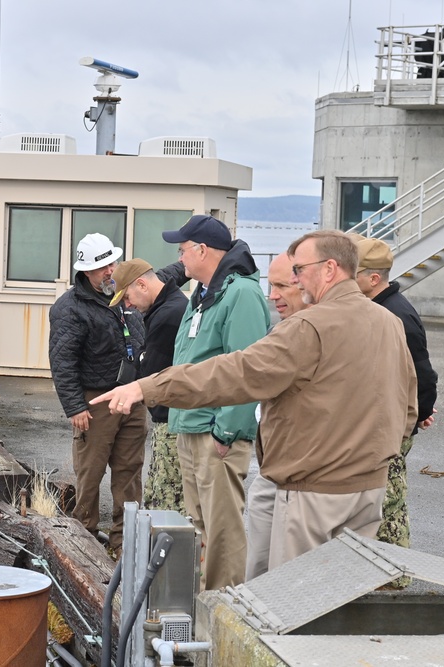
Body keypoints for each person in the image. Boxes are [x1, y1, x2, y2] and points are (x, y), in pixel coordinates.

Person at [92, 230, 418, 571]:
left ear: (329, 269)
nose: (294, 281)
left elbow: (236, 372)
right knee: (339, 592)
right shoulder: (389, 322)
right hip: (369, 490)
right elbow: (407, 406)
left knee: (292, 600)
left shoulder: (308, 326)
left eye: (299, 271)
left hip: (314, 492)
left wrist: (147, 387)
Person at [157, 214, 270, 589]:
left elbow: (248, 367)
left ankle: (223, 609)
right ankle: (204, 603)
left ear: (203, 250)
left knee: (222, 528)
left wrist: (227, 429)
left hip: (214, 432)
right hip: (191, 426)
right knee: (200, 525)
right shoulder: (204, 294)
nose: (180, 257)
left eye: (183, 249)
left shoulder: (240, 293)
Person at [48, 233, 148, 555]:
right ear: (86, 271)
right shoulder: (69, 308)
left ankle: (124, 545)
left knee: (130, 472)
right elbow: (62, 361)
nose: (110, 271)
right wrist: (75, 406)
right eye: (103, 266)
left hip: (132, 397)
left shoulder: (126, 296)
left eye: (113, 263)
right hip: (95, 402)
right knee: (90, 474)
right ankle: (84, 543)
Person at [353, 236, 438, 550]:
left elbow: (423, 374)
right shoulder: (380, 308)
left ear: (373, 278)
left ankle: (393, 578)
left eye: (353, 275)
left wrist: (416, 416)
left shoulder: (396, 315)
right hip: (384, 421)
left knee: (387, 503)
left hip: (390, 429)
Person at [245, 252, 309, 580]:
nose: (272, 296)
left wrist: (153, 388)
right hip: (272, 471)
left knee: (291, 578)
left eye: (281, 285)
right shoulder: (284, 330)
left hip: (307, 483)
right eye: (271, 285)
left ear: (309, 283)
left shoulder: (317, 332)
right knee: (257, 565)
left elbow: (235, 374)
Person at [108, 258, 189, 515]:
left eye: (128, 297)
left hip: (171, 420)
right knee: (158, 496)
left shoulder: (167, 315)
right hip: (171, 418)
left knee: (166, 503)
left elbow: (152, 374)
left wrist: (142, 362)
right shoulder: (169, 306)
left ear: (142, 284)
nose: (128, 305)